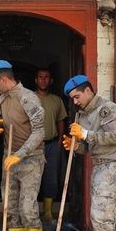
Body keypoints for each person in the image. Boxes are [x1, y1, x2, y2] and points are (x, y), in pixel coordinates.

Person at [62, 75, 116, 231]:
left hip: (113, 164)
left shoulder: (108, 109)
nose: (75, 101)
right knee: (101, 215)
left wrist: (85, 134)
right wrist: (76, 146)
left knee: (101, 215)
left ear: (89, 90)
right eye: (72, 98)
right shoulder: (81, 115)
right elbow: (88, 147)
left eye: (77, 96)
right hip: (99, 165)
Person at [0, 60, 46, 231]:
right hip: (8, 156)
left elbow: (40, 132)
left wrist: (20, 155)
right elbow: (3, 120)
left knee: (27, 209)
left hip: (30, 159)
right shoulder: (3, 97)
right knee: (10, 207)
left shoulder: (28, 98)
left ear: (4, 79)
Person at [34, 68, 67, 222]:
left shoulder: (56, 100)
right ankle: (31, 214)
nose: (43, 80)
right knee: (32, 177)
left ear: (51, 80)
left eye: (47, 77)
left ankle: (47, 212)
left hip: (53, 144)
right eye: (40, 77)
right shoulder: (30, 98)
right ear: (36, 80)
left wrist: (60, 140)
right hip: (34, 145)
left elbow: (61, 120)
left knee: (51, 178)